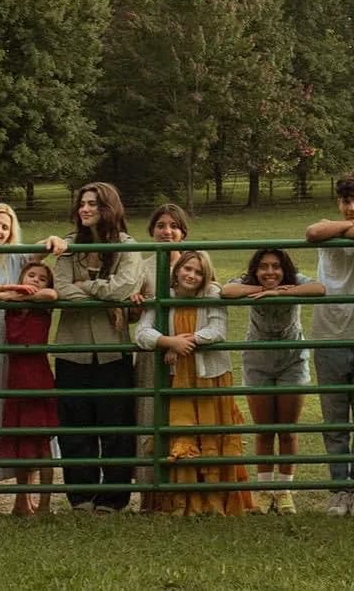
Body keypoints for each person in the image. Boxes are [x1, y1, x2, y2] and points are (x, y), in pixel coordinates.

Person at [0, 202, 67, 515]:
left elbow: (46, 252)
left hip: (14, 349)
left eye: (5, 227)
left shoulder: (18, 257)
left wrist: (55, 240)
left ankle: (24, 497)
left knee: (20, 418)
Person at [134, 249, 255, 515]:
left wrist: (182, 343)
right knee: (182, 435)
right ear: (177, 271)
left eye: (198, 272)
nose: (191, 275)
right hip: (177, 380)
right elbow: (141, 333)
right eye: (187, 269)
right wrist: (167, 342)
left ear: (205, 276)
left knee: (211, 436)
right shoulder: (162, 298)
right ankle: (181, 501)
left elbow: (217, 331)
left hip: (209, 376)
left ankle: (214, 501)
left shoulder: (212, 294)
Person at [53, 182, 143, 514]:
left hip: (112, 350)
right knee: (74, 427)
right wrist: (101, 293)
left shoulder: (125, 246)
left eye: (93, 204)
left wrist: (86, 286)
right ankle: (81, 496)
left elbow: (126, 287)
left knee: (116, 426)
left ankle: (113, 498)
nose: (85, 209)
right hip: (71, 350)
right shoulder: (69, 245)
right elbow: (61, 289)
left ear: (109, 207)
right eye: (82, 204)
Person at [222, 247, 325, 514]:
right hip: (258, 361)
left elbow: (318, 289)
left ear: (285, 268)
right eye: (264, 267)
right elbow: (226, 291)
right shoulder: (248, 281)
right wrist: (258, 291)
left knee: (288, 430)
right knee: (264, 430)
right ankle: (266, 492)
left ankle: (285, 491)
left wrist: (281, 292)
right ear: (255, 270)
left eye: (276, 266)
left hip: (292, 360)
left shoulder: (296, 279)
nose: (270, 272)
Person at [304, 172, 354, 517]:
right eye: (346, 202)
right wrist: (347, 227)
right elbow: (312, 232)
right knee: (335, 420)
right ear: (338, 203)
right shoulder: (328, 229)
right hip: (327, 336)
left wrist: (347, 227)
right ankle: (339, 489)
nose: (352, 208)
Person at [0, 260, 60, 515]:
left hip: (37, 375)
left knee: (43, 443)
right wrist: (11, 290)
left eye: (41, 277)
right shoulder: (11, 300)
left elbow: (51, 294)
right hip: (15, 375)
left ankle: (45, 503)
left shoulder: (41, 303)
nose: (35, 280)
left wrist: (25, 296)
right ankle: (23, 500)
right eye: (30, 275)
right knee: (22, 440)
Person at [133, 202, 191, 507]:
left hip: (186, 351)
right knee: (148, 416)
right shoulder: (140, 266)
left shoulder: (193, 265)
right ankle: (149, 494)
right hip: (150, 353)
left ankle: (181, 491)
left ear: (182, 232)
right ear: (152, 231)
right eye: (160, 226)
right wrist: (134, 304)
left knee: (181, 416)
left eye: (173, 226)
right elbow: (131, 317)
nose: (166, 231)